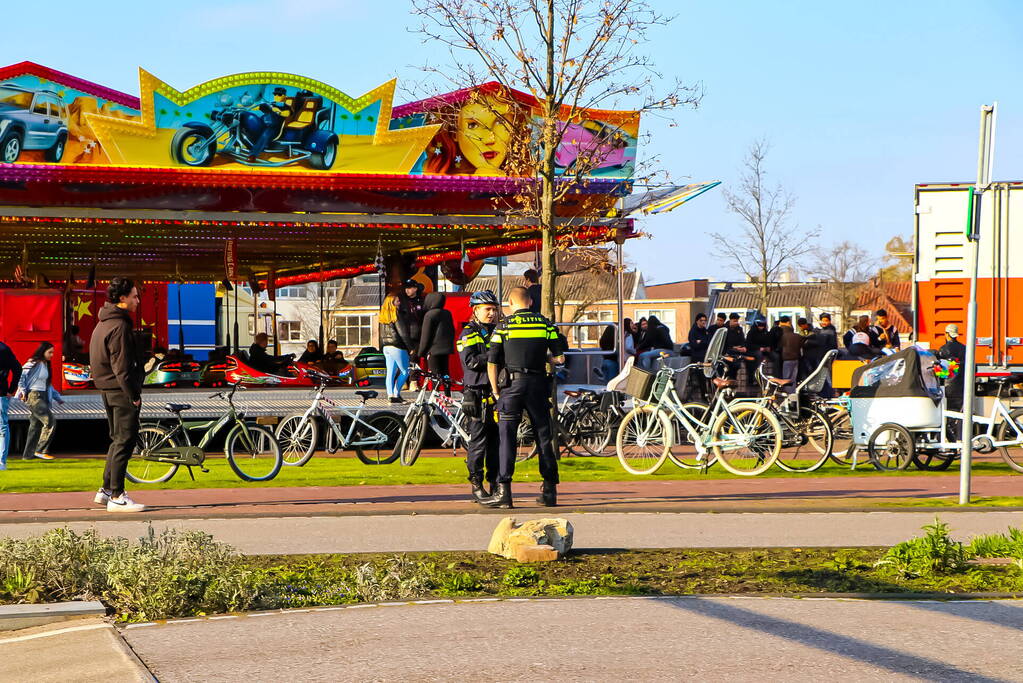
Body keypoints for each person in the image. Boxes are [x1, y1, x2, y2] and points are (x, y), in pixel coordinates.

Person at [484, 286, 566, 509]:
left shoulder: (504, 326)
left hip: (511, 386)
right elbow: (559, 358)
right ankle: (550, 490)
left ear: (511, 304)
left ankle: (504, 493)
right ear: (530, 302)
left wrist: (495, 390)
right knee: (543, 437)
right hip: (538, 384)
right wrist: (543, 358)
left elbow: (492, 361)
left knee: (507, 439)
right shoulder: (546, 324)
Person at [89, 276, 146, 512]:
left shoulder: (103, 323)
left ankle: (105, 489)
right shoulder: (120, 326)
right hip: (120, 390)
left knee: (116, 441)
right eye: (134, 296)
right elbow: (122, 367)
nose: (137, 300)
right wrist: (133, 394)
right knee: (125, 441)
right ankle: (117, 495)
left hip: (107, 388)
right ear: (122, 299)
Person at [457, 290, 501, 503]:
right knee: (478, 442)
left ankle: (495, 482)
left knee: (497, 442)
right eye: (487, 309)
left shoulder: (499, 330)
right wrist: (497, 357)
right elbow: (471, 361)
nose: (492, 313)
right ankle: (476, 483)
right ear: (475, 311)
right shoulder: (468, 332)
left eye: (494, 309)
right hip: (476, 394)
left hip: (496, 394)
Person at [16, 342, 64, 461]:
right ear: (43, 351)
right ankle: (40, 450)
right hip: (34, 396)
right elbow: (21, 376)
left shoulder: (46, 365)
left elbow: (48, 385)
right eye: (50, 352)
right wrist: (22, 391)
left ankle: (27, 456)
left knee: (35, 426)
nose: (52, 355)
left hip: (42, 396)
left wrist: (57, 397)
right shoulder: (33, 362)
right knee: (50, 421)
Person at [418, 291, 456, 395]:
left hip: (433, 349)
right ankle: (447, 394)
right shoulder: (447, 313)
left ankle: (435, 395)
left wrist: (421, 352)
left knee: (435, 374)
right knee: (445, 372)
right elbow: (452, 329)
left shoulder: (429, 315)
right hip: (446, 348)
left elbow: (426, 336)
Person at [248, 87, 292, 162]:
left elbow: (288, 113)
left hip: (274, 128)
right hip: (264, 124)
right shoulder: (271, 104)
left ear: (285, 96)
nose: (276, 96)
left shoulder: (285, 106)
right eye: (275, 94)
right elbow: (257, 107)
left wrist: (278, 111)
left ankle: (253, 155)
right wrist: (246, 107)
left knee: (265, 134)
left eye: (279, 94)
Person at [0, 340, 21, 471]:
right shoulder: (4, 348)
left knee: (2, 427)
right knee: (2, 427)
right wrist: (11, 389)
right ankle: (1, 462)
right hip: (1, 393)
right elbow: (17, 369)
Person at [722, 313, 754, 381]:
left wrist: (743, 347)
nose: (736, 323)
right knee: (732, 364)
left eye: (737, 321)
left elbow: (743, 340)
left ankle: (750, 378)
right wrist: (734, 348)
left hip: (738, 351)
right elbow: (724, 342)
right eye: (734, 321)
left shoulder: (739, 329)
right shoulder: (725, 329)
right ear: (730, 320)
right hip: (728, 351)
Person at [778, 316, 804, 393]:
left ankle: (788, 397)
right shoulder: (797, 336)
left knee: (786, 379)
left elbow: (778, 347)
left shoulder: (780, 334)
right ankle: (793, 396)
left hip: (785, 359)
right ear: (789, 323)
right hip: (795, 358)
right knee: (793, 380)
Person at [816, 313, 838, 398]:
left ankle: (830, 394)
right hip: (824, 356)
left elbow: (829, 345)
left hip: (826, 357)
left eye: (826, 320)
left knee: (827, 376)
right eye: (823, 320)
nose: (824, 322)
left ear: (829, 321)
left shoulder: (829, 332)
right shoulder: (825, 330)